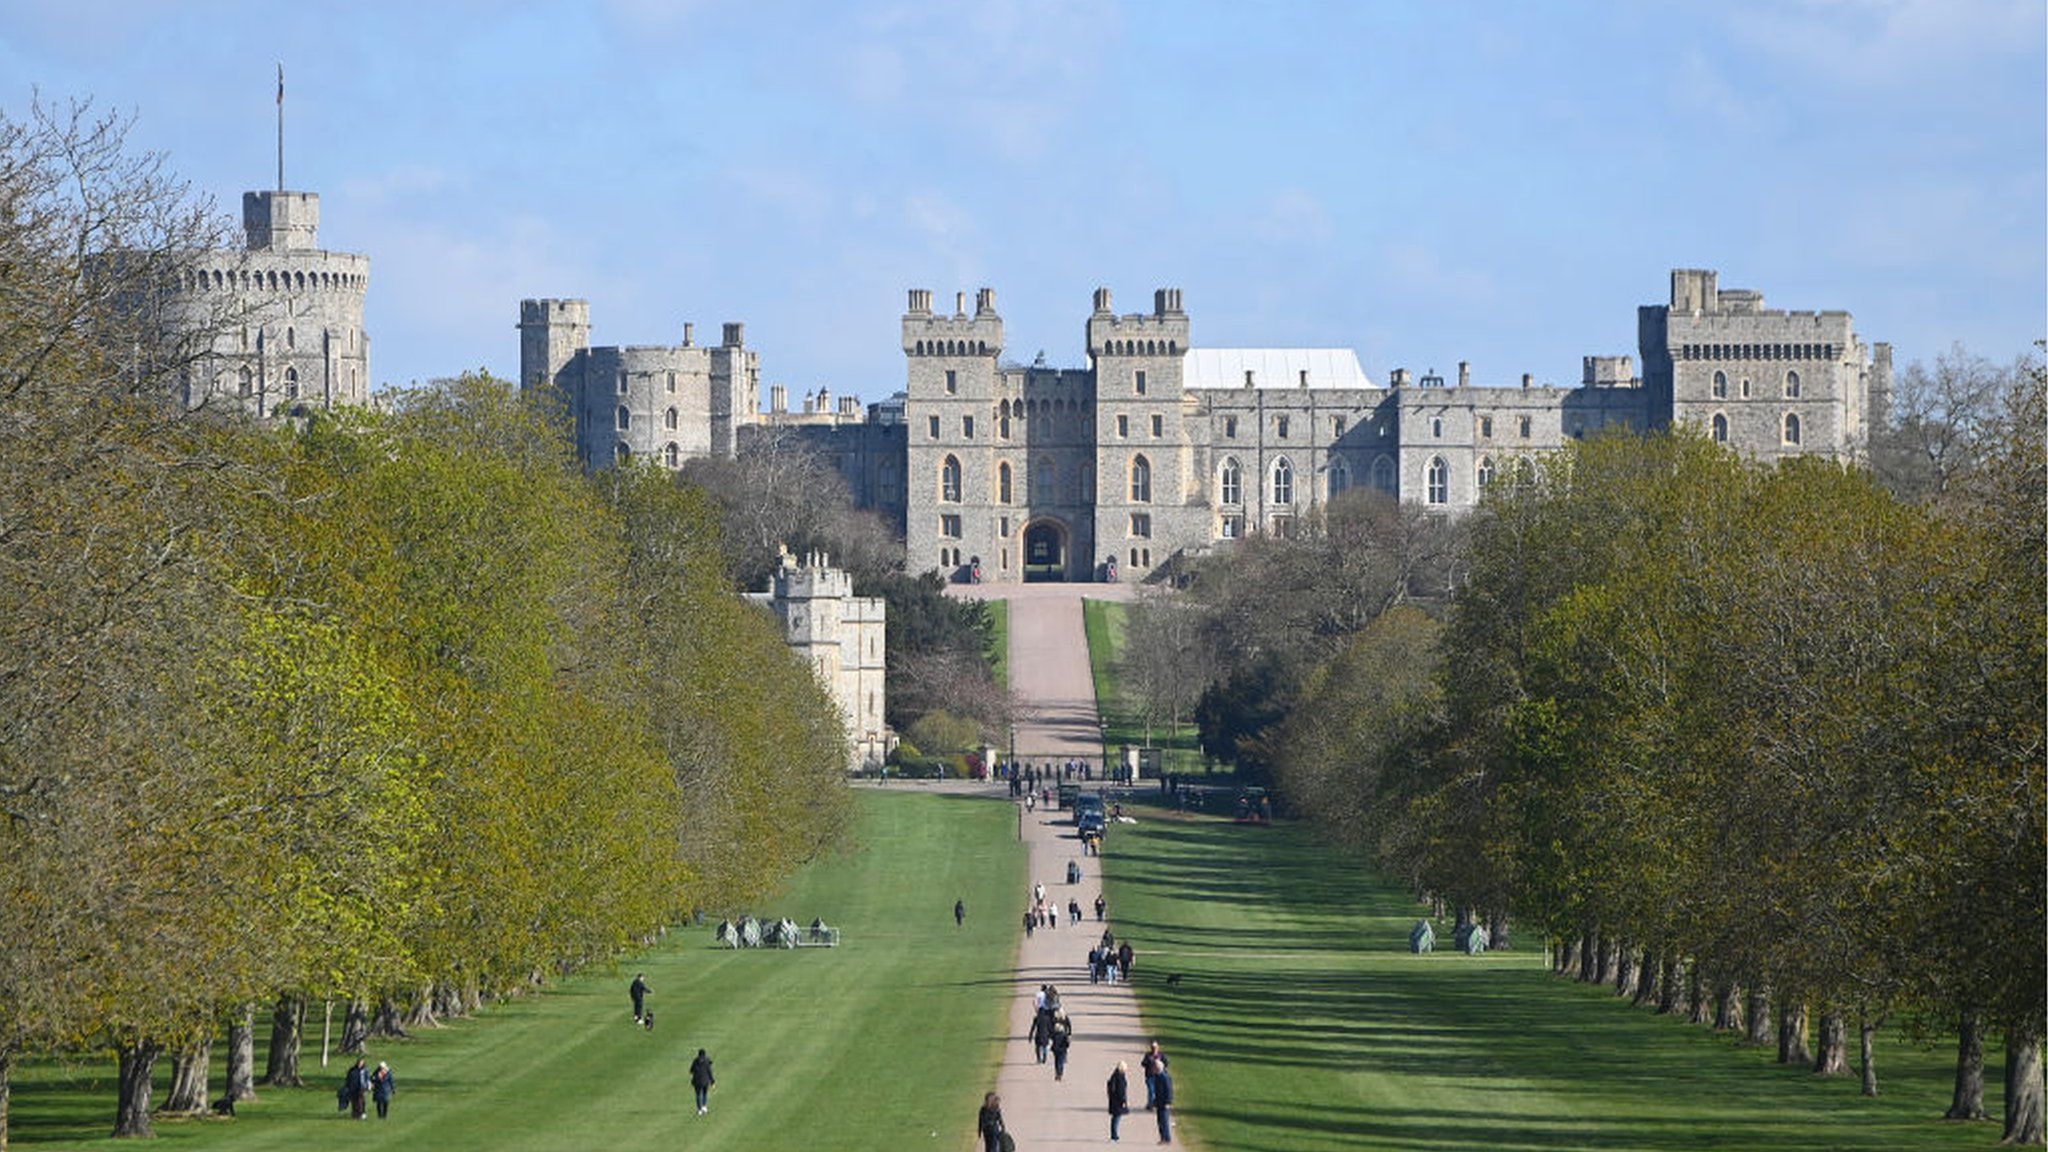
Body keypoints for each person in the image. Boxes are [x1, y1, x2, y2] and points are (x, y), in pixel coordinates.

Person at [1107, 1060, 1130, 1142]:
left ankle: (1114, 1135)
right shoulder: (1120, 1077)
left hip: (1113, 1101)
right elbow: (1121, 1091)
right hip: (1118, 1101)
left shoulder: (1114, 1075)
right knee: (1116, 1118)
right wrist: (1123, 1101)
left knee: (1115, 1118)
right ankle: (1114, 1136)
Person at [1153, 1063, 1175, 1143]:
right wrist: (1155, 1101)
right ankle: (1162, 1138)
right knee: (1160, 1121)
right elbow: (1157, 1091)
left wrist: (1168, 1102)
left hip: (1164, 1103)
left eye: (1154, 1068)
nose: (1153, 1069)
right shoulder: (1157, 1077)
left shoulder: (1165, 1077)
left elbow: (1169, 1090)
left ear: (1158, 1068)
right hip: (1159, 1102)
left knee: (1164, 1121)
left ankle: (1167, 1138)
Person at [689, 1048, 715, 1115]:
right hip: (705, 1081)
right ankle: (704, 1107)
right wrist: (712, 1082)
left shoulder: (695, 1061)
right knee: (704, 1093)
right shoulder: (707, 1061)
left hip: (697, 1081)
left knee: (698, 1095)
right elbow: (709, 1072)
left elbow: (691, 1071)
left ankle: (699, 1109)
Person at [1049, 1015, 1072, 1081]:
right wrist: (1066, 1046)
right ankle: (1060, 1074)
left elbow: (1051, 1037)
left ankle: (1057, 1073)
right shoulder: (1064, 1035)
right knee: (1061, 1062)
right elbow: (1067, 1043)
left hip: (1055, 1050)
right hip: (1062, 1050)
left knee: (1056, 1062)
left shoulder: (1054, 1034)